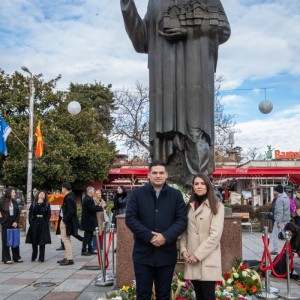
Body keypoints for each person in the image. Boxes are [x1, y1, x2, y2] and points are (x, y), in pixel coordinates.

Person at [121, 0, 230, 179]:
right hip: (164, 81)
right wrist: (127, 5)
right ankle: (166, 187)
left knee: (195, 129)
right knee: (163, 132)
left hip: (195, 73)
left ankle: (200, 187)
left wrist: (191, 31)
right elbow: (142, 41)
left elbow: (224, 29)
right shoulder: (155, 2)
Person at [125, 160, 187, 300]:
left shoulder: (176, 195)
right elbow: (131, 218)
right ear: (148, 175)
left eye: (161, 173)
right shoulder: (137, 194)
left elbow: (182, 220)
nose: (158, 176)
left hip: (166, 254)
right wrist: (149, 236)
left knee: (164, 295)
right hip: (143, 255)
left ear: (166, 175)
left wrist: (165, 237)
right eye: (154, 173)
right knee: (143, 295)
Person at [180, 174, 224, 300]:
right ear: (193, 187)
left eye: (202, 183)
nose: (199, 186)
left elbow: (215, 236)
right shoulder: (189, 206)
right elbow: (185, 231)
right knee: (199, 295)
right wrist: (183, 250)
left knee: (208, 295)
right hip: (191, 258)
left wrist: (197, 255)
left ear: (208, 186)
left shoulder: (217, 206)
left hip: (207, 258)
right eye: (196, 184)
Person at [56, 182, 80, 266]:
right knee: (67, 239)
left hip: (66, 222)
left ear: (65, 188)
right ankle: (67, 257)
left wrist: (64, 220)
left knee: (65, 240)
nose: (61, 190)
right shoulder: (70, 196)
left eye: (62, 188)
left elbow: (71, 211)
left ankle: (69, 259)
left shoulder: (69, 198)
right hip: (68, 221)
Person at [25, 191, 51, 262]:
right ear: (38, 195)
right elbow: (30, 214)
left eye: (43, 194)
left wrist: (46, 223)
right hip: (34, 223)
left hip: (43, 223)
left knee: (42, 241)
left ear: (45, 196)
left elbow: (48, 215)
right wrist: (31, 223)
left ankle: (41, 257)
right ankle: (34, 255)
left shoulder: (47, 204)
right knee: (34, 240)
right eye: (41, 193)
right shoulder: (33, 204)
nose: (42, 194)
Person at [0, 188, 23, 264]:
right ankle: (6, 258)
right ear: (9, 193)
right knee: (6, 241)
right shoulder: (2, 202)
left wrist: (16, 222)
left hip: (14, 223)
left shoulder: (15, 202)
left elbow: (17, 213)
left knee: (15, 239)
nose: (15, 194)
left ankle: (16, 257)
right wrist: (2, 221)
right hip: (6, 224)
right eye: (13, 192)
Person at [81, 186, 103, 256]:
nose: (94, 192)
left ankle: (90, 249)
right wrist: (101, 207)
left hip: (89, 220)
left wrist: (99, 207)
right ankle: (84, 250)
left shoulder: (88, 198)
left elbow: (92, 208)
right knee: (87, 236)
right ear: (90, 192)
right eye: (93, 191)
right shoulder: (88, 199)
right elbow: (92, 209)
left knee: (90, 236)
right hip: (88, 221)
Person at [270, 185, 291, 255]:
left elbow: (279, 212)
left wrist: (278, 222)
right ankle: (288, 249)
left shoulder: (279, 199)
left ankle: (275, 249)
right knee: (286, 235)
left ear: (278, 191)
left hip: (280, 220)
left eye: (275, 191)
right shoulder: (286, 198)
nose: (274, 192)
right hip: (286, 219)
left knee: (275, 235)